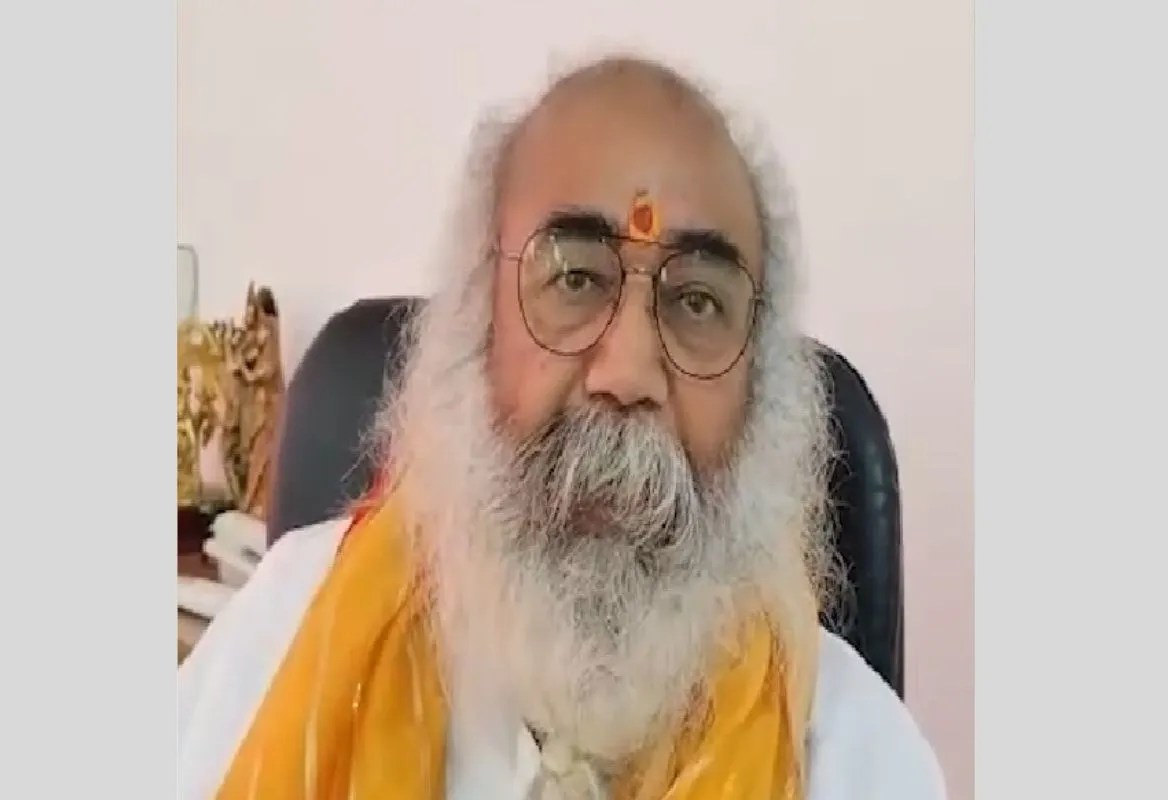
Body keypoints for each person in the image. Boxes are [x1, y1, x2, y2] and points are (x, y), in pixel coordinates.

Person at [177, 55, 947, 799]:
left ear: (761, 391)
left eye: (697, 302)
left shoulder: (856, 759)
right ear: (476, 325)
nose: (629, 372)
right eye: (574, 278)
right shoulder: (283, 634)